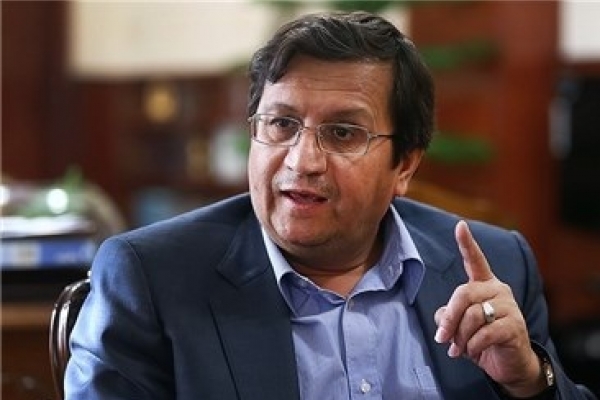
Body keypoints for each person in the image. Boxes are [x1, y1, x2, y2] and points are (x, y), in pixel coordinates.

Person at [65, 10, 596, 400]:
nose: (303, 161)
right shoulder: (153, 279)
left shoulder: (493, 266)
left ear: (405, 166)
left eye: (343, 132)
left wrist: (530, 382)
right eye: (281, 124)